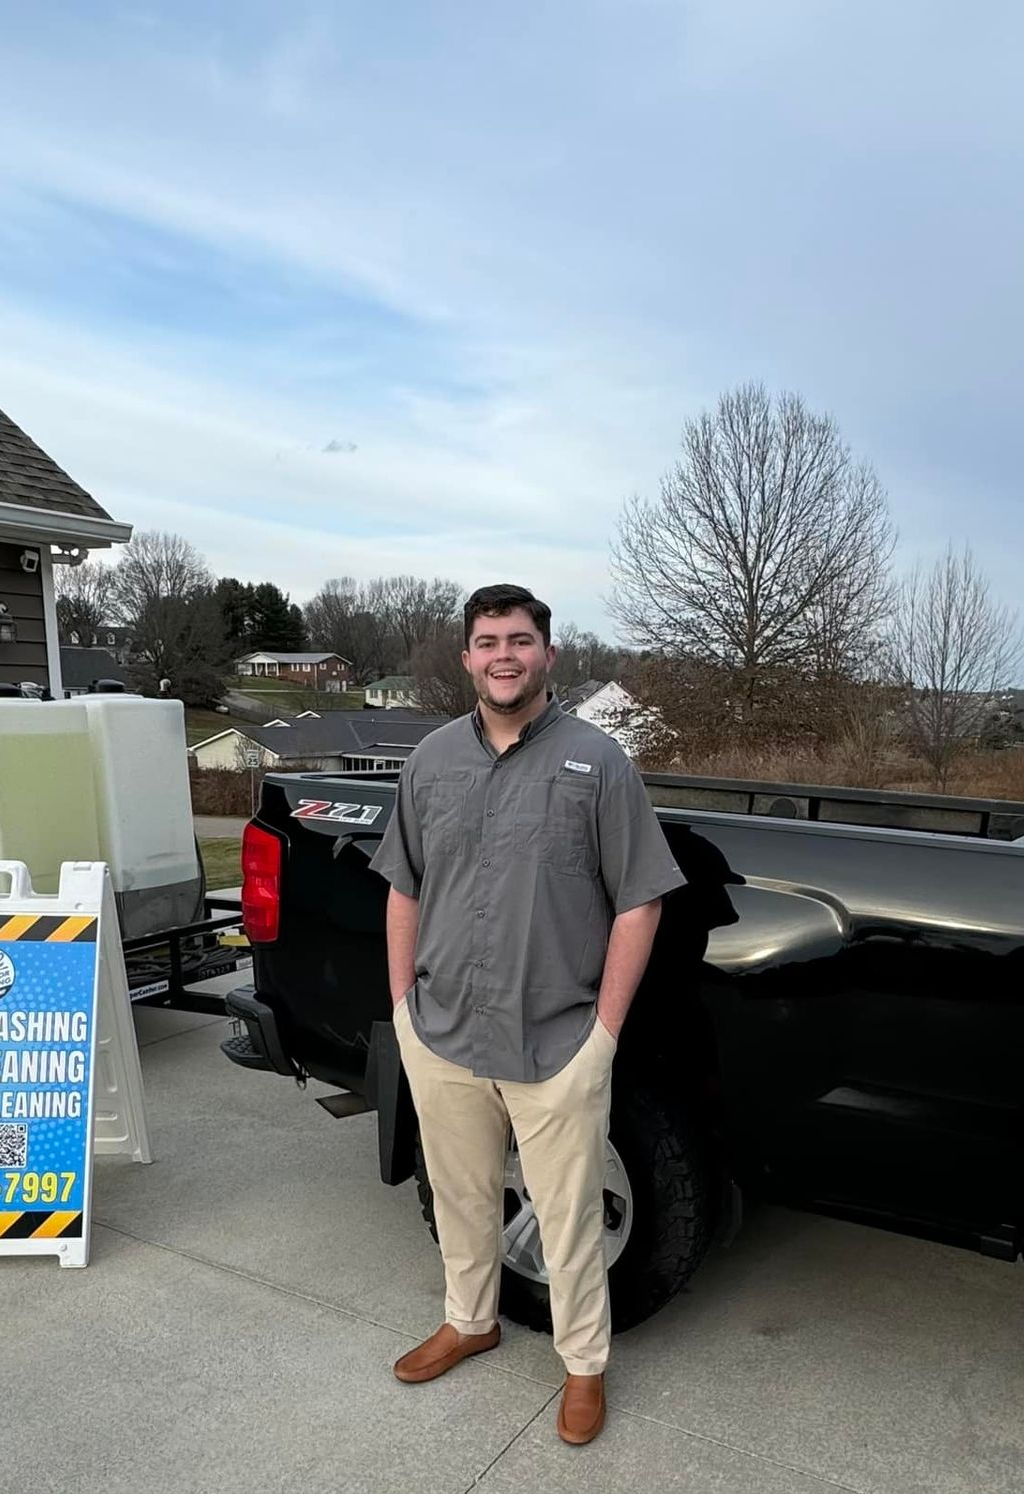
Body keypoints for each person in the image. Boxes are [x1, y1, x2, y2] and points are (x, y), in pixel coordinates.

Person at [369, 583, 685, 1446]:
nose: (502, 655)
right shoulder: (431, 760)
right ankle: (469, 1320)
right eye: (486, 641)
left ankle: (584, 1366)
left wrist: (605, 1036)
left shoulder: (598, 763)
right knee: (462, 1195)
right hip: (442, 1032)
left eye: (518, 639)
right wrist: (402, 1006)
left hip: (556, 1037)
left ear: (548, 653)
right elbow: (404, 885)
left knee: (568, 1213)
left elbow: (640, 902)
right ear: (467, 657)